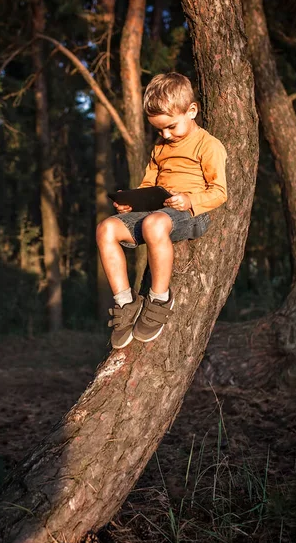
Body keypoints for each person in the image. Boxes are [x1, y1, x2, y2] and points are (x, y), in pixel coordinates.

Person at [96, 72, 227, 349]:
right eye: (159, 130)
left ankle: (159, 298)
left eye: (171, 127)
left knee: (154, 224)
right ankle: (125, 303)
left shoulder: (209, 145)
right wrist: (132, 204)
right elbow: (149, 185)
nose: (166, 135)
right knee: (106, 228)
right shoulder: (160, 147)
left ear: (191, 111)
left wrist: (190, 200)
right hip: (156, 214)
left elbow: (219, 192)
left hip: (191, 215)